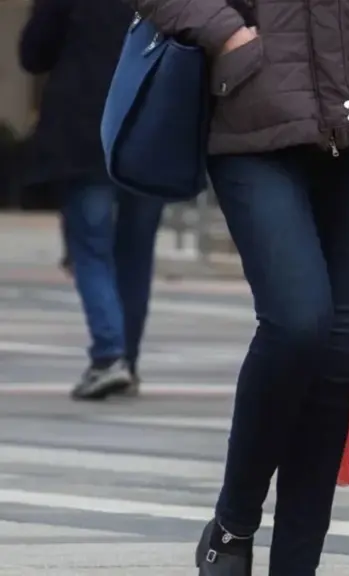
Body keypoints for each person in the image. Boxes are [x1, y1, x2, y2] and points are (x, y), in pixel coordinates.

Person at [123, 0, 349, 573]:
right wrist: (226, 32)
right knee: (297, 323)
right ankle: (232, 525)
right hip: (254, 121)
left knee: (336, 359)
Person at [19, 0, 166, 400]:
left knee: (91, 248)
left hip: (85, 133)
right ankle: (126, 359)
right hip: (149, 128)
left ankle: (109, 354)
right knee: (136, 254)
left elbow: (34, 54)